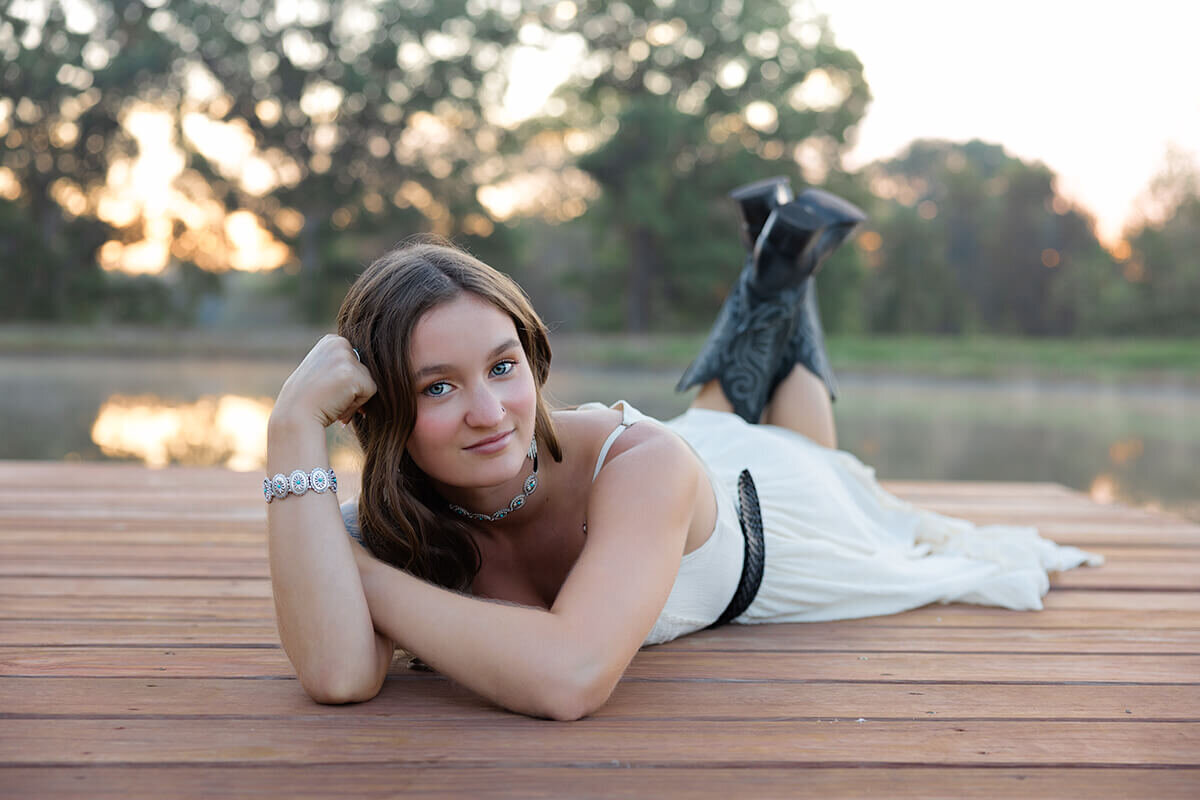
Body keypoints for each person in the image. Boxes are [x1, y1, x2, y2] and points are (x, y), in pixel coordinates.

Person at [264, 177, 1101, 720]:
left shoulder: (641, 465)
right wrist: (291, 427)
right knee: (719, 414)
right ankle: (774, 275)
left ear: (534, 358)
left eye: (502, 366)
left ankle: (781, 284)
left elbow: (569, 676)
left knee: (802, 449)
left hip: (767, 510)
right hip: (685, 462)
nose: (490, 412)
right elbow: (340, 675)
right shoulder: (396, 517)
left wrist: (358, 574)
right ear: (380, 412)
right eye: (438, 386)